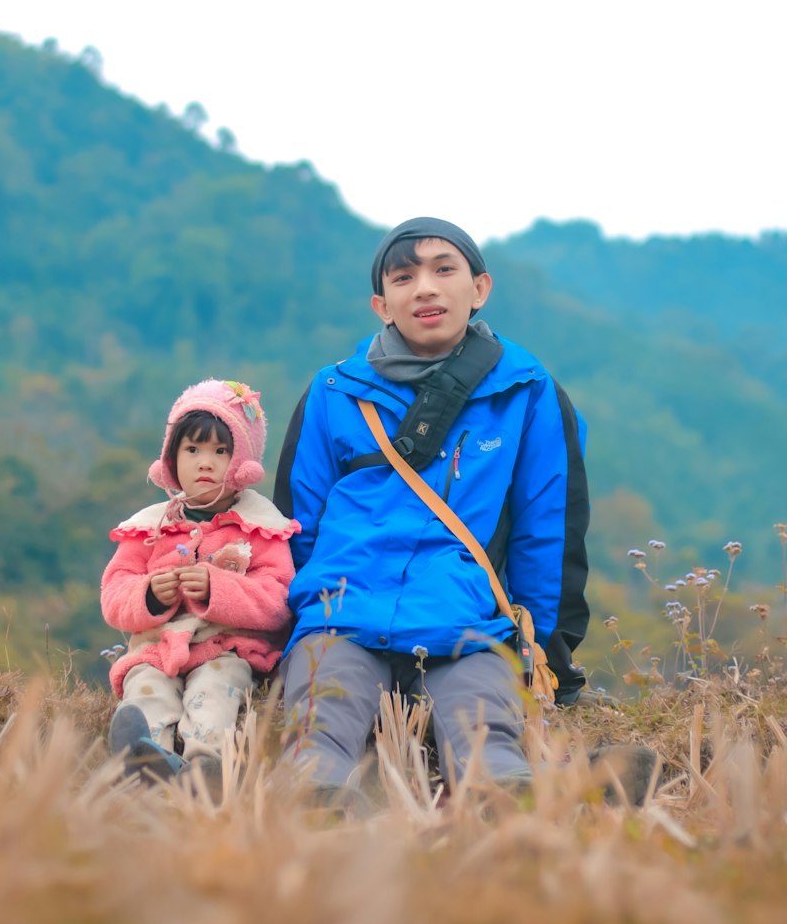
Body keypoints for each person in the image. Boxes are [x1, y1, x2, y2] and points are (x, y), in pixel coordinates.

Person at [272, 216, 591, 803]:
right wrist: (299, 624)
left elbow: (548, 531)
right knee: (320, 735)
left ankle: (514, 804)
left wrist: (544, 645)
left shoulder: (526, 390)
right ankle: (322, 815)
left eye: (444, 270)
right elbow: (297, 526)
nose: (425, 287)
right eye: (404, 276)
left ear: (480, 289)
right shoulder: (334, 391)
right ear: (381, 304)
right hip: (342, 615)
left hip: (467, 621)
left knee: (488, 741)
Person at [101, 378, 299, 782]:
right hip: (158, 650)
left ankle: (204, 765)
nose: (205, 462)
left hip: (226, 650)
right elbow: (115, 593)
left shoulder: (261, 528)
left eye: (220, 451)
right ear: (172, 459)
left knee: (215, 694)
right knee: (146, 688)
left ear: (242, 462)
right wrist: (150, 597)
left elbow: (279, 600)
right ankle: (145, 758)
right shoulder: (149, 527)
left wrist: (218, 589)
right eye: (192, 449)